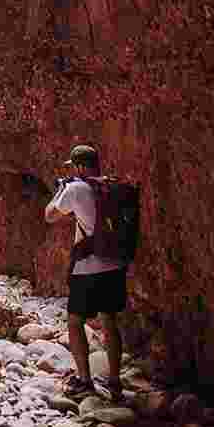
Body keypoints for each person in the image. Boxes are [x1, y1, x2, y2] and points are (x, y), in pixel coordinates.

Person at [44, 144, 126, 402]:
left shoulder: (75, 188)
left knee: (75, 321)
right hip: (114, 263)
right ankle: (115, 381)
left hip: (87, 268)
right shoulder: (109, 186)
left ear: (79, 166)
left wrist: (61, 190)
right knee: (109, 320)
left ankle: (84, 379)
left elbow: (49, 216)